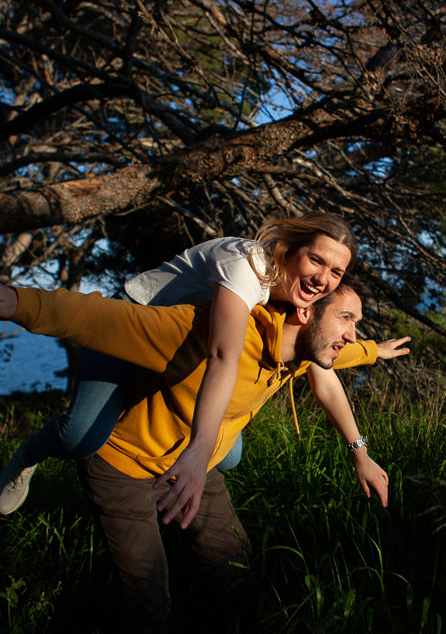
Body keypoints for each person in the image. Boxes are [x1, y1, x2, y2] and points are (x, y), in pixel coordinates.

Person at [0, 275, 409, 631]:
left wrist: (374, 355)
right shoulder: (206, 333)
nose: (352, 335)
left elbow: (339, 364)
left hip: (198, 465)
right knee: (147, 606)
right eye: (346, 319)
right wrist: (16, 302)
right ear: (305, 313)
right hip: (124, 465)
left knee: (237, 571)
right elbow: (98, 318)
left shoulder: (305, 350)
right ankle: (27, 458)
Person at [0, 212, 360, 515]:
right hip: (135, 326)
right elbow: (224, 355)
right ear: (290, 250)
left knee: (230, 456)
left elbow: (319, 354)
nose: (324, 279)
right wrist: (198, 448)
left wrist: (374, 350)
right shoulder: (247, 266)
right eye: (316, 260)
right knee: (80, 438)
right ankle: (25, 457)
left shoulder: (296, 296)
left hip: (179, 353)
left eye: (337, 272)